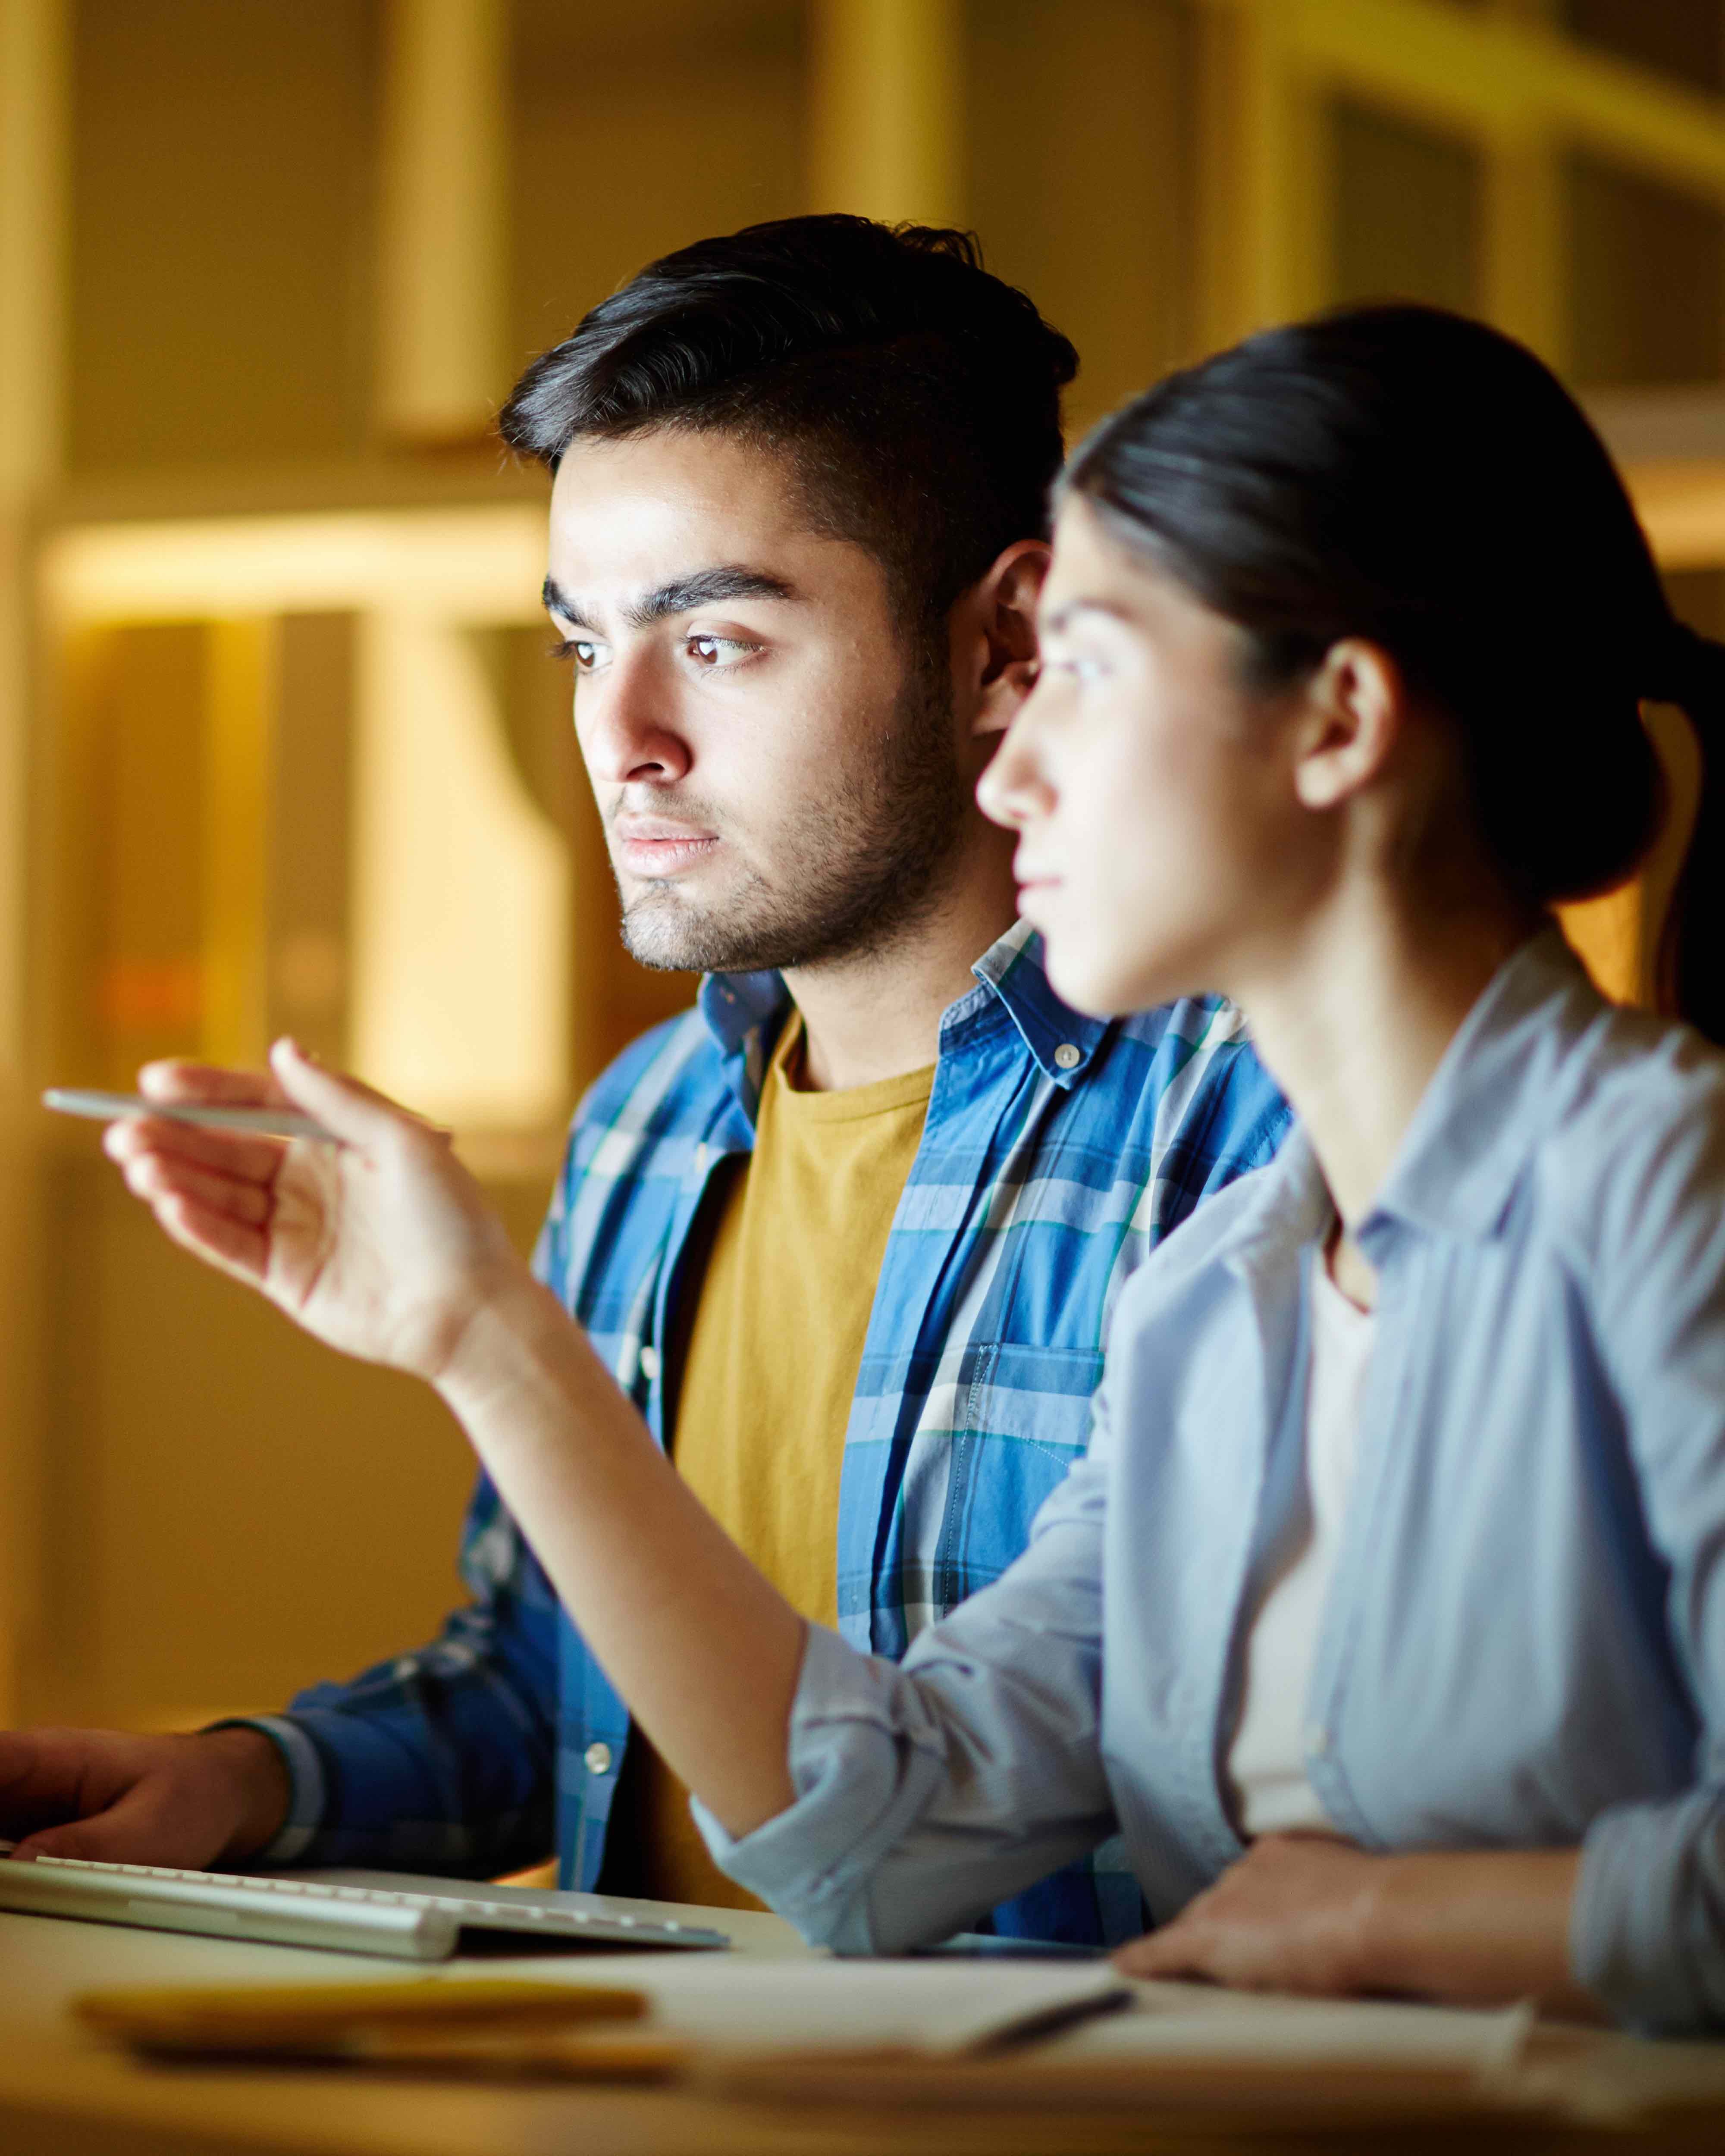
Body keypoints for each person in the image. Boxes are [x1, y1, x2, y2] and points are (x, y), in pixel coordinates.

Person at [0, 216, 1287, 1947]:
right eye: (583, 645)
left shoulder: (1244, 1121)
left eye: (722, 641)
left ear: (1006, 645)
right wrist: (245, 1779)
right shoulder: (648, 1126)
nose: (622, 740)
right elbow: (563, 1685)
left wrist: (481, 1339)